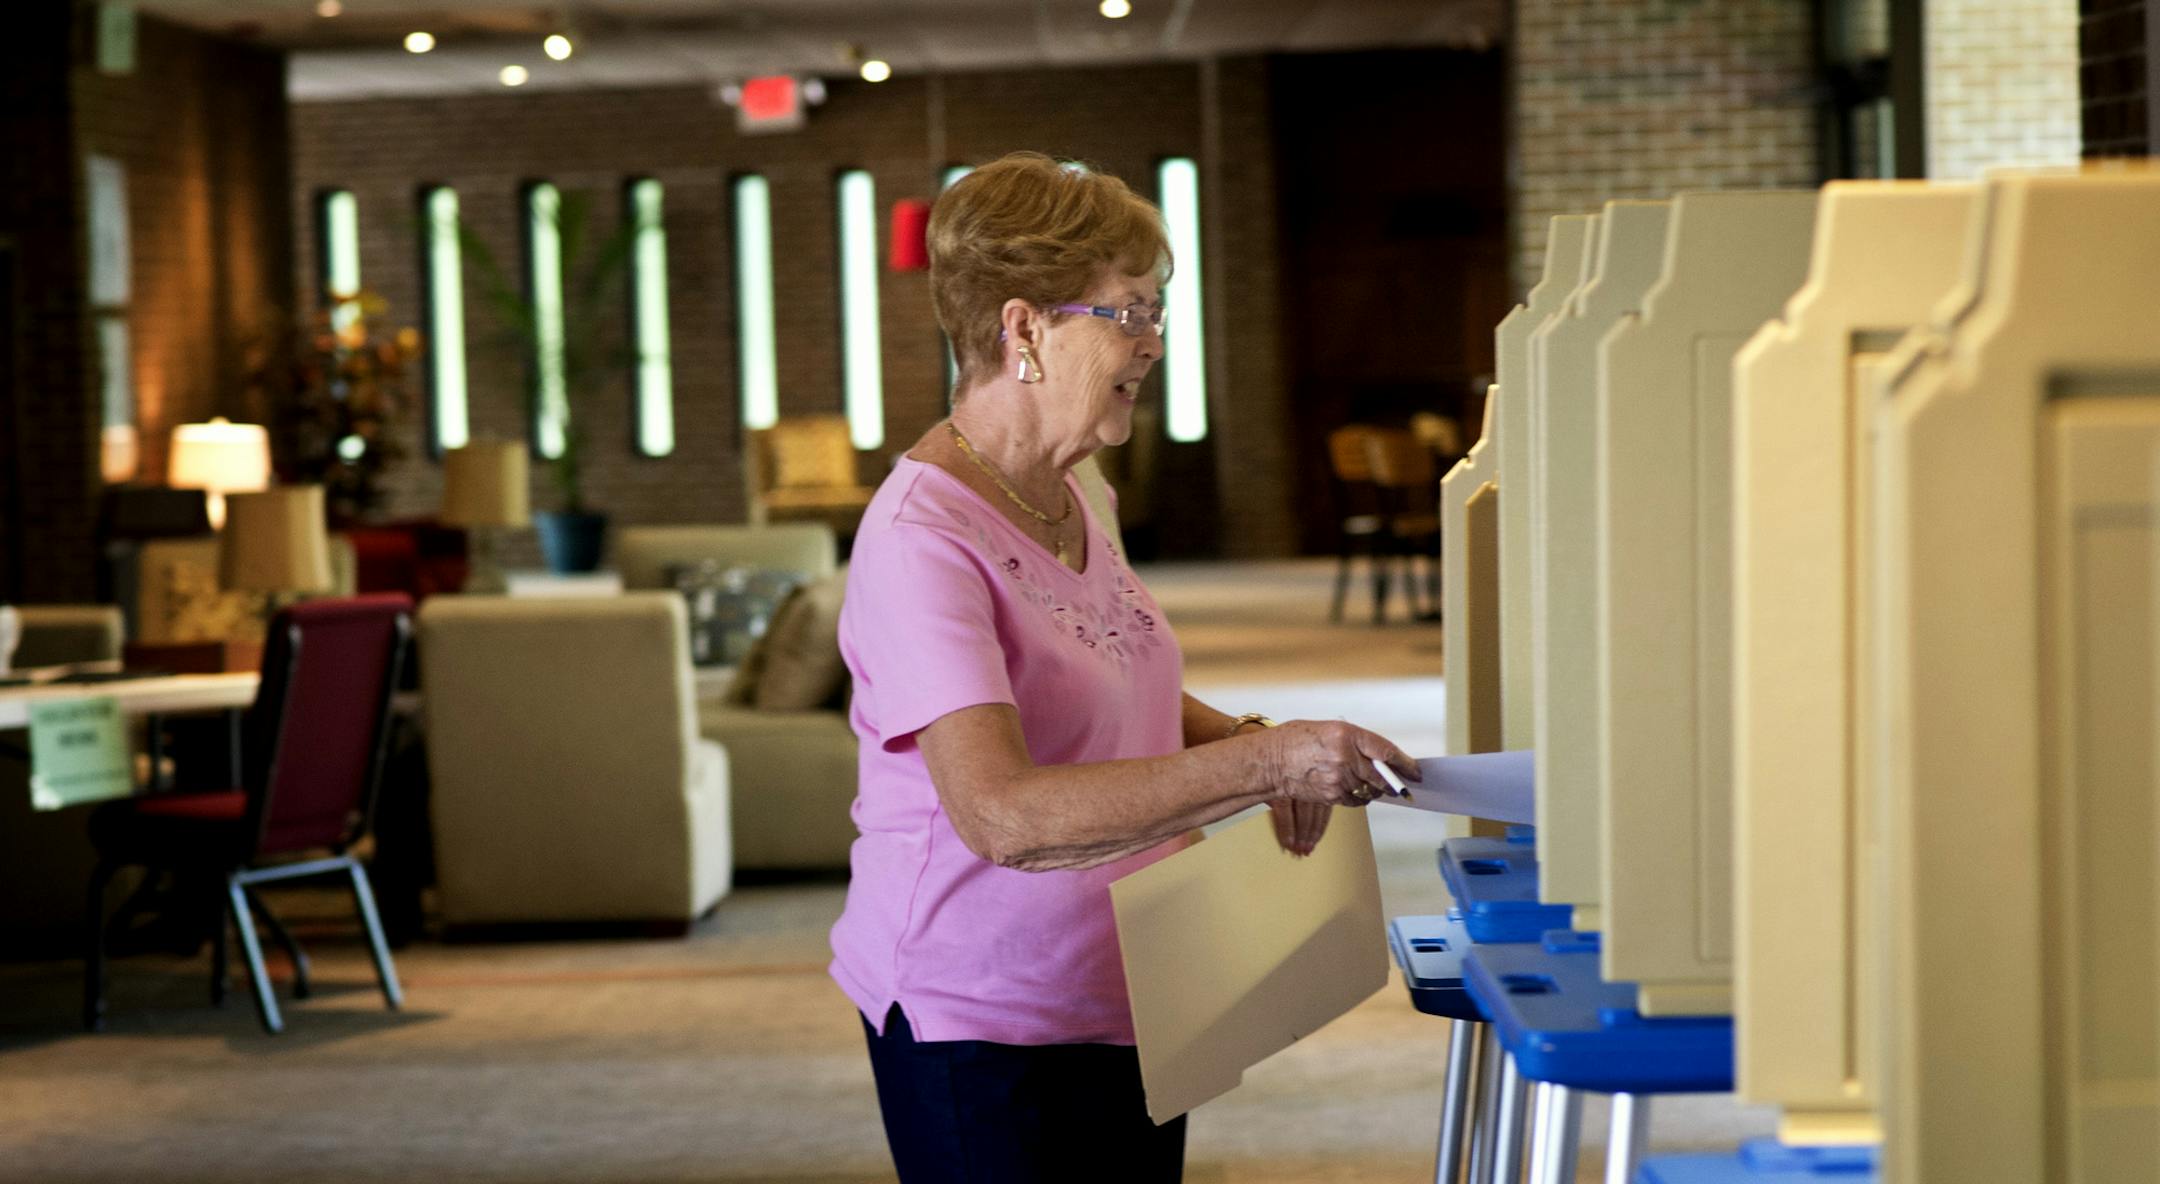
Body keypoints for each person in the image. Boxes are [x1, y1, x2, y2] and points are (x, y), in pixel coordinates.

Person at [830, 152, 1419, 1183]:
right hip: (986, 1019)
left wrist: (1242, 738)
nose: (1152, 343)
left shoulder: (1074, 486)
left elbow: (1114, 676)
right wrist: (1266, 766)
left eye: (1158, 311)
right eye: (1129, 312)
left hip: (1135, 981)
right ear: (1024, 329)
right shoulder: (922, 537)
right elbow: (1003, 814)